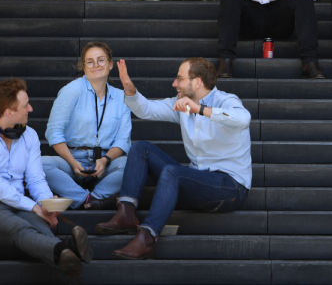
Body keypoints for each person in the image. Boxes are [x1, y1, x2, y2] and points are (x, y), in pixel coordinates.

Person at [95, 57, 251, 260]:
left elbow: (243, 119)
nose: (174, 84)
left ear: (197, 82)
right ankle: (125, 213)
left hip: (231, 187)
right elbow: (146, 110)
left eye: (179, 78)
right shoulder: (180, 104)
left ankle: (147, 239)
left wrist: (200, 110)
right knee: (142, 148)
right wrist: (129, 89)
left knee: (173, 172)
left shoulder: (226, 100)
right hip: (197, 181)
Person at [0, 79, 92, 284]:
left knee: (39, 225)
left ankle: (70, 259)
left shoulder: (29, 135)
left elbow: (35, 178)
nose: (31, 108)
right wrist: (34, 207)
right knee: (19, 228)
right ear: (8, 112)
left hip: (17, 203)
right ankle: (64, 249)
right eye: (25, 105)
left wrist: (46, 203)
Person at [42, 42, 131, 210]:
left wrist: (105, 160)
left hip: (105, 163)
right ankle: (86, 200)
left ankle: (96, 197)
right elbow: (53, 132)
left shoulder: (121, 97)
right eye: (90, 62)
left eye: (101, 60)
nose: (96, 65)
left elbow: (123, 140)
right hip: (72, 160)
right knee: (40, 164)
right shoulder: (71, 91)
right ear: (84, 67)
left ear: (110, 64)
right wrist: (72, 162)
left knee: (131, 164)